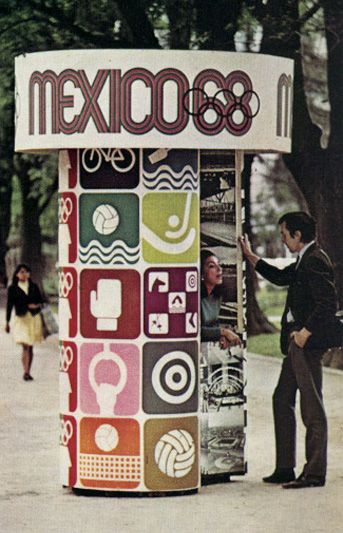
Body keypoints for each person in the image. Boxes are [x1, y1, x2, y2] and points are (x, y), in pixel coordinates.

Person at [240, 212, 342, 489]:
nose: (283, 240)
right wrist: (251, 257)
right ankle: (285, 467)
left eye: (285, 235)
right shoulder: (304, 260)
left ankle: (314, 473)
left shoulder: (315, 260)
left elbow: (327, 304)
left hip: (305, 344)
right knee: (281, 398)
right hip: (296, 344)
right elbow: (282, 276)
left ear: (298, 235)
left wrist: (305, 334)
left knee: (312, 408)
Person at [5, 264, 43, 381]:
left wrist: (35, 305)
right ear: (17, 274)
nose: (24, 274)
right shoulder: (13, 288)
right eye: (21, 272)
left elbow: (41, 301)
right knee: (25, 345)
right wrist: (7, 322)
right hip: (21, 319)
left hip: (33, 318)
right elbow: (10, 305)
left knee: (30, 346)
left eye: (26, 271)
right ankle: (25, 371)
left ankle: (28, 371)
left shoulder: (34, 286)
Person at [201, 249, 241, 349]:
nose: (219, 269)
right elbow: (195, 331)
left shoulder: (216, 296)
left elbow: (213, 323)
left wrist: (220, 336)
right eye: (212, 266)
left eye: (219, 264)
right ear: (201, 274)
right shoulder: (194, 297)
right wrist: (224, 332)